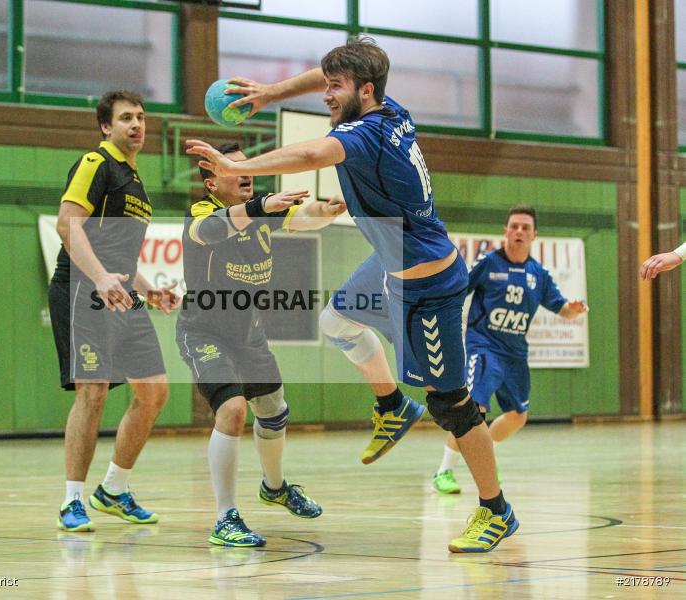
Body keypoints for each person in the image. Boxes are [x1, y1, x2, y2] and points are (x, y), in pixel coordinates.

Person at [187, 36, 517, 553]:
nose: (326, 94)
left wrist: (237, 169)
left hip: (427, 287)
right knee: (335, 321)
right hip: (388, 266)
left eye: (335, 87)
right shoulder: (389, 106)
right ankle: (390, 405)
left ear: (364, 90)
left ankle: (496, 510)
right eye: (327, 84)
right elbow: (331, 76)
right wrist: (270, 92)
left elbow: (310, 152)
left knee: (450, 405)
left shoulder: (364, 135)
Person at [178, 142, 346, 547]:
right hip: (204, 332)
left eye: (249, 165)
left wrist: (329, 210)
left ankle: (275, 488)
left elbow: (305, 218)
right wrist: (263, 206)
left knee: (273, 411)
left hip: (248, 334)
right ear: (211, 182)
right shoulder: (202, 213)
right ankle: (224, 518)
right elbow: (209, 231)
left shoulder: (263, 214)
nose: (246, 172)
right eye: (235, 167)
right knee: (233, 411)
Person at [48, 90, 179, 532]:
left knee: (154, 392)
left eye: (141, 117)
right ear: (107, 127)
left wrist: (148, 289)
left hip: (120, 292)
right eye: (126, 118)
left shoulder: (135, 180)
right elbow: (68, 224)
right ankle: (72, 500)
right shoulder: (95, 164)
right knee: (94, 391)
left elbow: (123, 257)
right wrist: (101, 277)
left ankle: (114, 490)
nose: (137, 125)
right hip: (84, 288)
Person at [432, 206, 588, 494]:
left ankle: (483, 453)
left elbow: (562, 308)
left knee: (518, 415)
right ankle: (444, 471)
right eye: (514, 226)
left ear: (534, 235)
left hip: (515, 353)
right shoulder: (489, 262)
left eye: (525, 228)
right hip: (484, 346)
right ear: (505, 231)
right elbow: (459, 290)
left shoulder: (538, 274)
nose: (519, 232)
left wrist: (574, 310)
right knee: (472, 410)